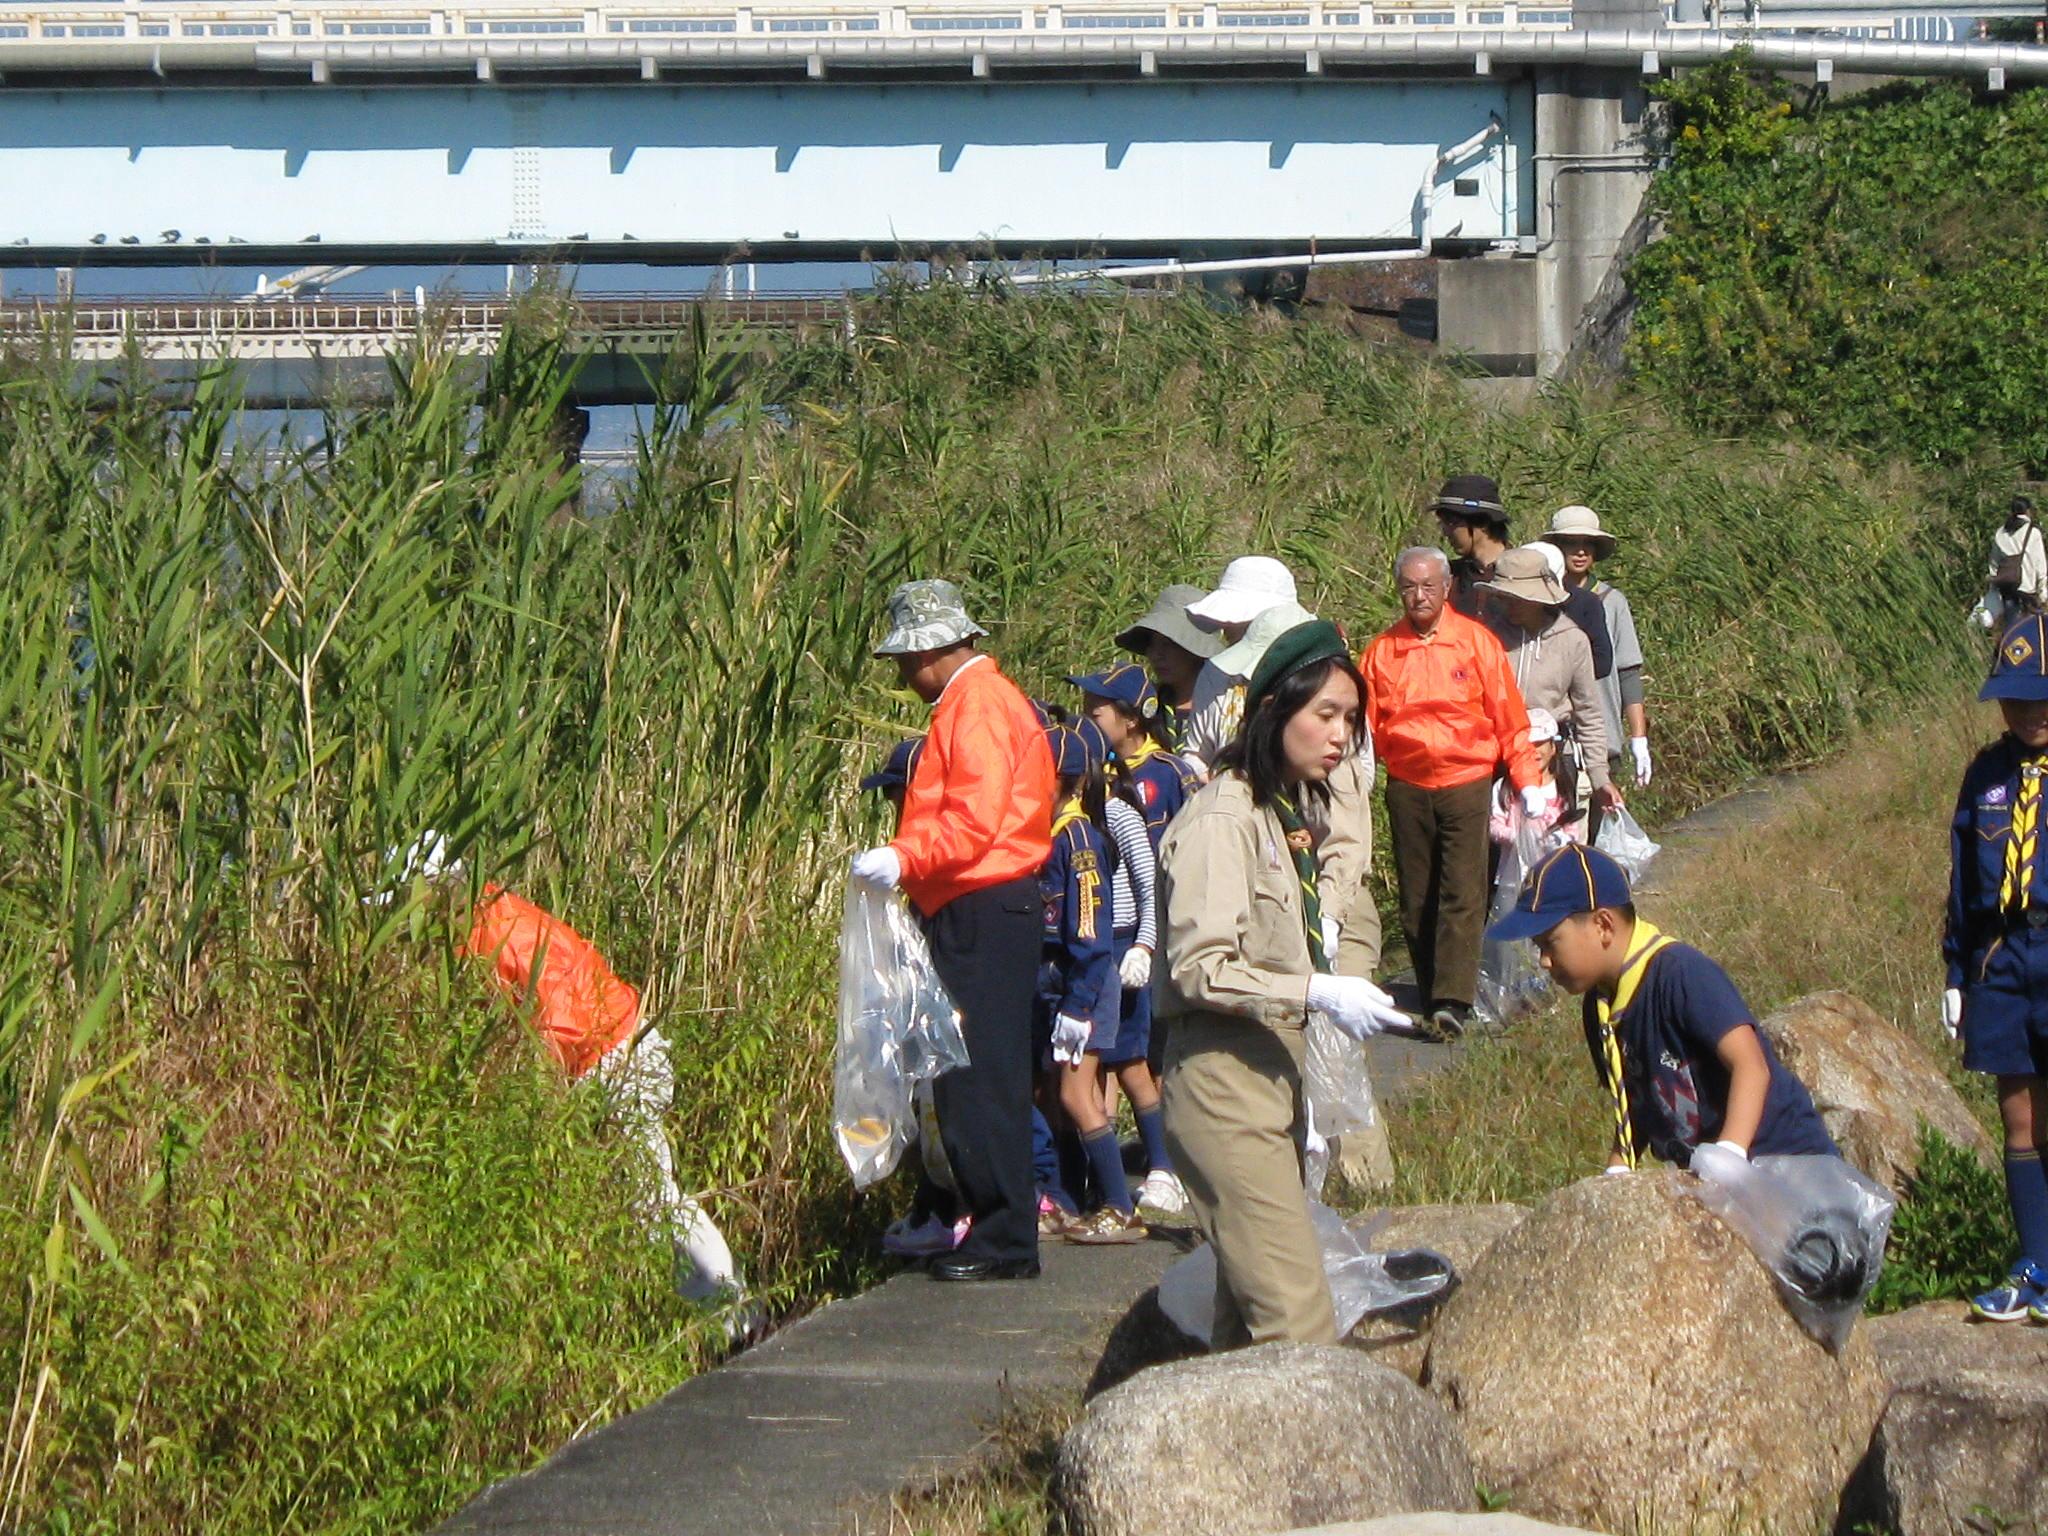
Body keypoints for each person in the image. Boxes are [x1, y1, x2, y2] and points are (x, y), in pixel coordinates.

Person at [1157, 618, 1410, 1346]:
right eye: (1324, 715)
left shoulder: (1282, 816)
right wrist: (1317, 991)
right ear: (1274, 711)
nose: (1340, 736)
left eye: (1351, 720)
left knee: (1246, 1326)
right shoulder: (1223, 819)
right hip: (1221, 1078)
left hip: (1273, 1074)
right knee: (1298, 1323)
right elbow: (1199, 965)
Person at [852, 579, 1054, 1282]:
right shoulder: (973, 703)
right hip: (974, 904)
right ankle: (996, 1229)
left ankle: (1005, 1240)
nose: (905, 674)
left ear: (934, 648)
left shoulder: (978, 707)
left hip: (986, 905)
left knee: (980, 1074)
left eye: (907, 659)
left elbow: (975, 820)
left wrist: (903, 856)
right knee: (965, 1070)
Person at [1488, 843, 1836, 1177]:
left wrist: (1731, 1152)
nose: (1544, 962)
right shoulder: (1601, 1008)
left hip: (1784, 1164)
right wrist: (1619, 1165)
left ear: (1603, 925)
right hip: (1710, 1178)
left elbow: (1752, 1065)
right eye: (1538, 949)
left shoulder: (1680, 973)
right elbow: (1637, 1102)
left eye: (1550, 944)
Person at [1362, 547, 1543, 1039]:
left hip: (1466, 779)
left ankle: (1452, 1001)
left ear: (1446, 589)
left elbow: (1510, 719)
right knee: (1417, 896)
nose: (1418, 596)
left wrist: (1528, 783)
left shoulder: (1475, 643)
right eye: (1408, 587)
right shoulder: (1382, 652)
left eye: (1427, 587)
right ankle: (1429, 990)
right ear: (1397, 589)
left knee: (1463, 890)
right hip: (1408, 784)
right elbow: (1367, 732)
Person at [1941, 614, 2048, 1322]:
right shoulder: (1987, 772)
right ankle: (2035, 1264)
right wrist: (1956, 973)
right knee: (2020, 1114)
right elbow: (1961, 883)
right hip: (2005, 956)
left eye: (2039, 698)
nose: (2027, 712)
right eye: (2014, 698)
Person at [1069, 664, 1191, 1213]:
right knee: (1110, 1059)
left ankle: (1167, 1164)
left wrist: (1148, 940)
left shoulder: (1166, 776)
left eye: (1098, 708)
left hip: (1143, 937)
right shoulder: (1095, 796)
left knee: (1136, 1059)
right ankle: (1112, 1172)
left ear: (1131, 717)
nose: (1089, 716)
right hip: (1103, 945)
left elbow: (1158, 870)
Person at [1035, 722, 1147, 1243]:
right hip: (1060, 983)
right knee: (1056, 1094)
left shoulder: (1078, 842)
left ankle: (1122, 1207)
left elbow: (1090, 932)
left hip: (1086, 982)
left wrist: (1079, 1007)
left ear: (1071, 782)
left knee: (1081, 1096)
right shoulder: (1050, 835)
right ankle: (1066, 1199)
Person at [1480, 547, 1620, 827]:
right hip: (1497, 760)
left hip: (1553, 762)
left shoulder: (1572, 641)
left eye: (1516, 598)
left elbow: (1588, 713)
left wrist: (1599, 777)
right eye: (1504, 597)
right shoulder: (1487, 637)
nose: (1509, 605)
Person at [1540, 504, 1651, 842]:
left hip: (1601, 737)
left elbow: (1627, 672)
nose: (1580, 551)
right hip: (1551, 738)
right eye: (1571, 543)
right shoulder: (1538, 602)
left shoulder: (1611, 601)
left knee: (1596, 838)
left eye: (1587, 544)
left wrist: (1639, 738)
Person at [1181, 557, 1303, 775]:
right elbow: (1197, 752)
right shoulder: (1217, 675)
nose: (1225, 629)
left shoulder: (1317, 676)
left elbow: (1360, 768)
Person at [1115, 584, 1225, 752]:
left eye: (1169, 644)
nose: (1157, 654)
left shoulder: (1222, 706)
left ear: (1194, 649)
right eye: (1152, 644)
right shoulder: (1142, 707)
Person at [1524, 539, 1614, 682]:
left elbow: (1602, 662)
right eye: (1572, 543)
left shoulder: (1586, 603)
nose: (1580, 552)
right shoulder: (1502, 607)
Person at [1431, 473, 1514, 618]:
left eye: (1451, 522)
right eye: (1442, 523)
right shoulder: (1448, 577)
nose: (1445, 532)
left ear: (1482, 522)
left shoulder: (1523, 575)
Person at [1985, 496, 2048, 635]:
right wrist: (2042, 589)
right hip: (2028, 588)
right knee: (2032, 629)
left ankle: (2007, 652)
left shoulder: (2001, 532)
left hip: (2008, 586)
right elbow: (2040, 563)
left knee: (2011, 628)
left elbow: (1994, 562)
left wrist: (1994, 584)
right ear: (2028, 511)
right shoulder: (2033, 532)